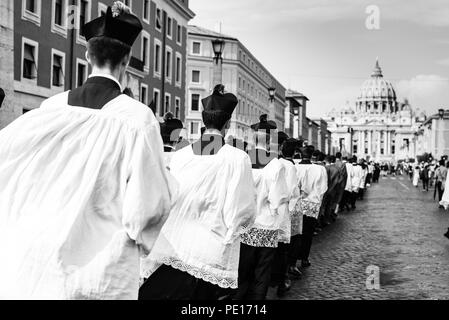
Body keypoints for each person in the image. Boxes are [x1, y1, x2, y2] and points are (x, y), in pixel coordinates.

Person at [0, 2, 175, 300]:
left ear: (87, 54)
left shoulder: (51, 107)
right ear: (127, 59)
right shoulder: (137, 119)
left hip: (38, 259)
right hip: (99, 273)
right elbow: (147, 210)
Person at [139, 85, 256, 300]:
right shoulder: (238, 158)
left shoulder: (180, 155)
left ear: (203, 122)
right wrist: (233, 233)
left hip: (172, 245)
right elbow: (240, 212)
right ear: (228, 124)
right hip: (210, 250)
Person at [235, 116, 289, 300]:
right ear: (269, 141)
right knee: (262, 274)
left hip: (243, 224)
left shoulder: (241, 160)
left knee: (242, 273)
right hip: (265, 225)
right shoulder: (275, 164)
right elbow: (277, 201)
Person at [271, 136, 300, 298]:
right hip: (282, 211)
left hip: (268, 213)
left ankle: (271, 279)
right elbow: (293, 192)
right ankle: (282, 281)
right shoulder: (289, 166)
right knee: (282, 250)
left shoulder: (272, 162)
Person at [294, 146, 328, 269]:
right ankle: (304, 258)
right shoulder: (319, 169)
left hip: (296, 204)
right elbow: (323, 188)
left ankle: (293, 260)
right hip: (311, 205)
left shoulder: (294, 167)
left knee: (296, 234)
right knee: (307, 233)